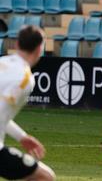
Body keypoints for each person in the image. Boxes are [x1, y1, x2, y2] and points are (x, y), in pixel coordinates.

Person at [0, 26, 56, 180]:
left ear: (17, 44)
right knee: (45, 177)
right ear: (40, 49)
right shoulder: (25, 79)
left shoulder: (2, 61)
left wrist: (22, 137)